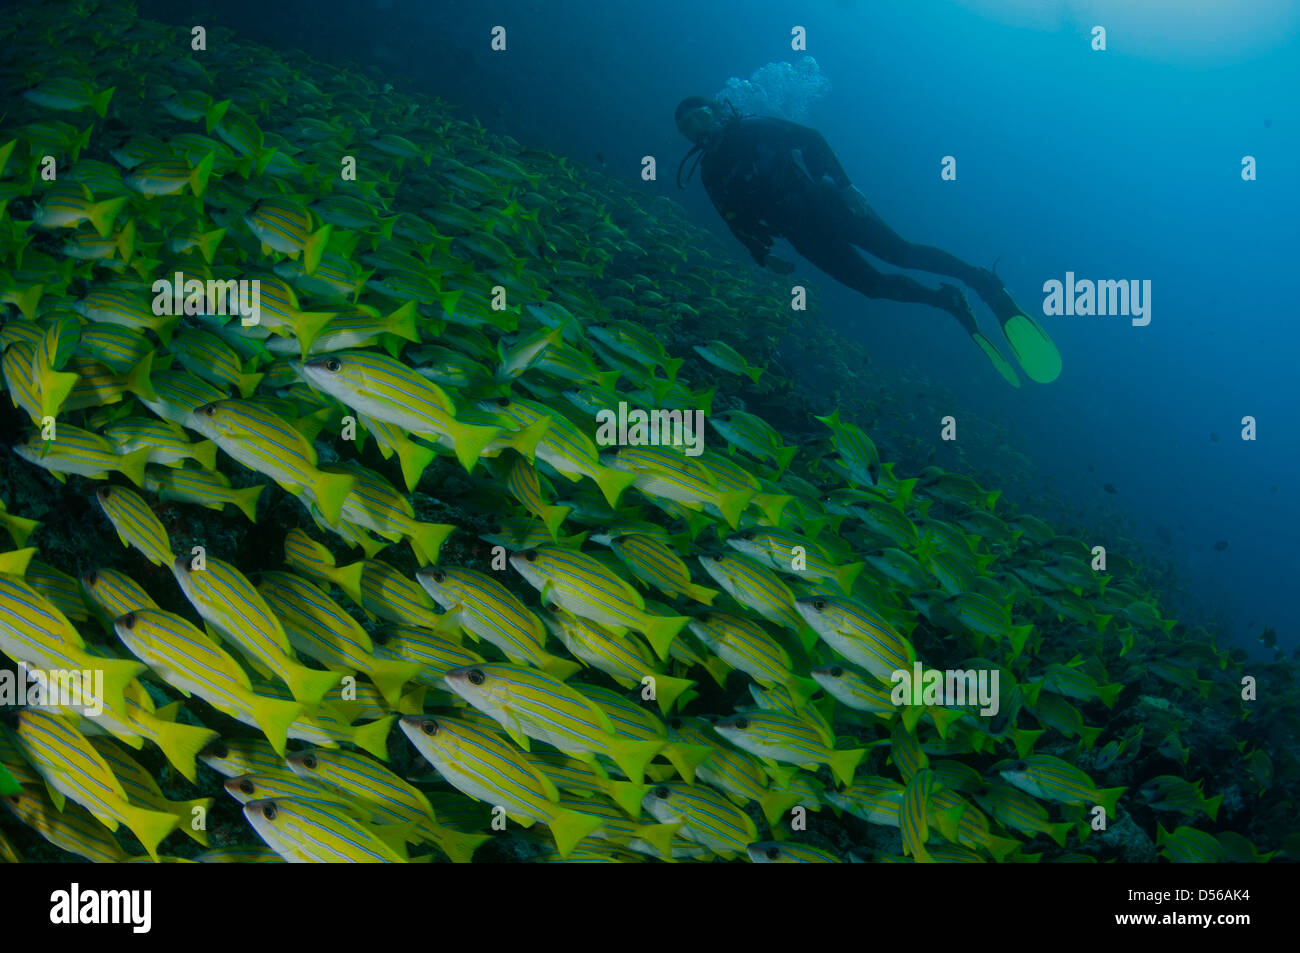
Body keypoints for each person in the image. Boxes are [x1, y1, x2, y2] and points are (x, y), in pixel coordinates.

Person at [675, 96, 1061, 384]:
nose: (696, 126)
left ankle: (983, 282)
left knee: (903, 254)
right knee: (871, 287)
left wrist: (843, 186)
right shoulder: (709, 171)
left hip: (828, 206)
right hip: (802, 236)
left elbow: (810, 139)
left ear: (714, 110)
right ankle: (945, 300)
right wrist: (761, 253)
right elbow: (732, 218)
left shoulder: (751, 127)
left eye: (699, 115)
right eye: (686, 125)